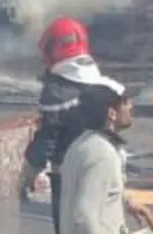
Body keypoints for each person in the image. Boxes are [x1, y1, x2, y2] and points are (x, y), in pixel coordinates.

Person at [22, 17, 129, 233]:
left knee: (72, 223)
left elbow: (47, 139)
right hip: (108, 167)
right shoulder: (104, 87)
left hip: (67, 174)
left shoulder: (55, 92)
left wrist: (29, 172)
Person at [58, 81, 150, 233]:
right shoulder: (102, 155)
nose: (130, 106)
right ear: (112, 113)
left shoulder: (82, 144)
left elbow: (99, 188)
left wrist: (126, 201)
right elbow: (85, 218)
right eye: (124, 102)